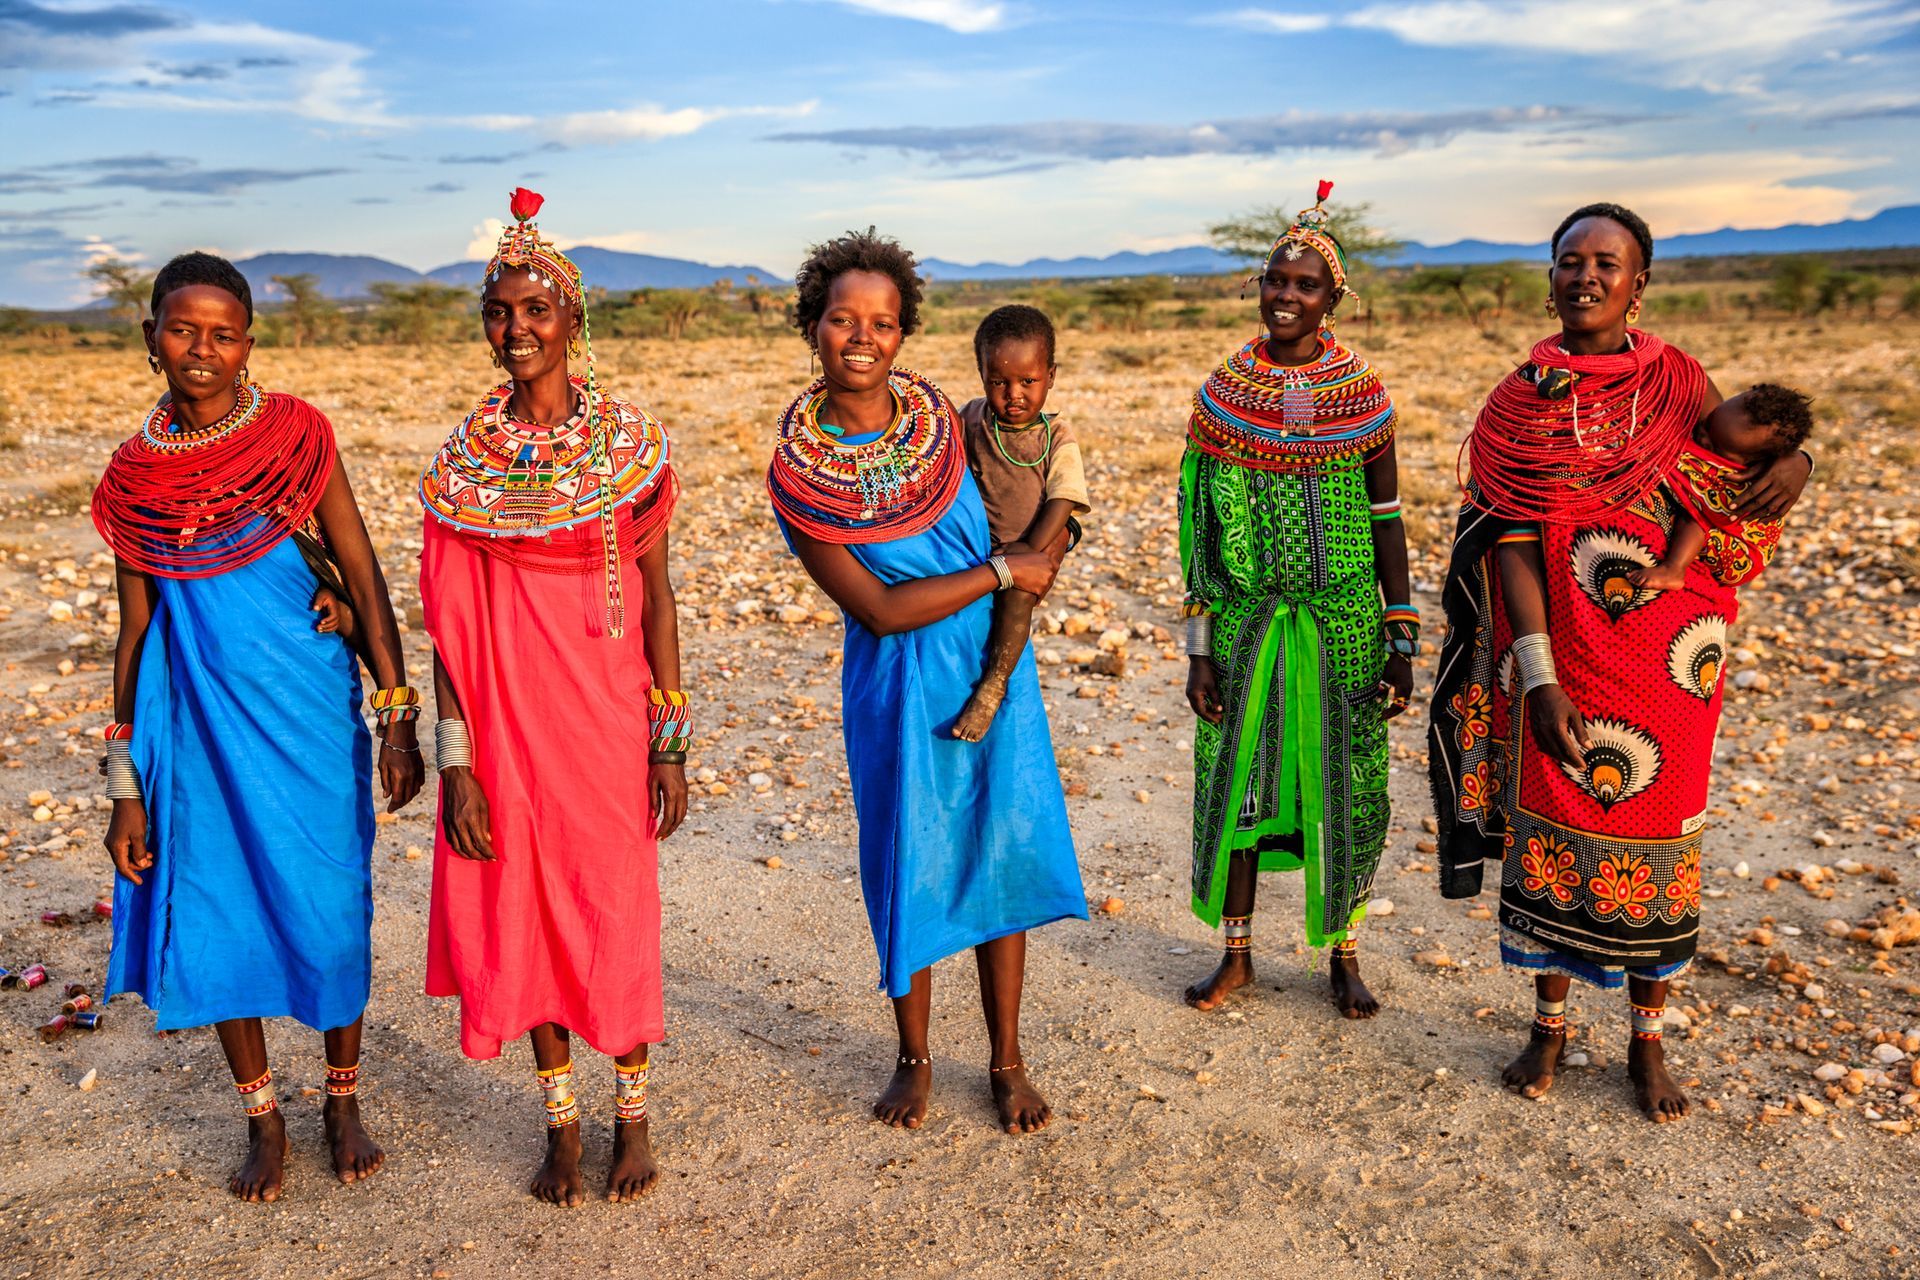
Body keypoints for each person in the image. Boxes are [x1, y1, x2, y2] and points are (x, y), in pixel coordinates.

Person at [1428, 203, 1813, 1121]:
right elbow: (1509, 545)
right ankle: (1547, 1029)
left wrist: (1800, 466)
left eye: (1608, 262)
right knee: (1555, 824)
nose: (1587, 276)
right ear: (1550, 274)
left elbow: (1741, 457)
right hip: (1569, 657)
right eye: (1571, 260)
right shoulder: (1518, 404)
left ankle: (1649, 1044)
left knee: (1663, 835)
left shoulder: (1681, 381)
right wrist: (1538, 675)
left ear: (1640, 283)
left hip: (1675, 660)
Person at [96, 251, 424, 1202]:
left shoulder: (295, 436)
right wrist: (124, 787)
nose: (203, 349)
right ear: (150, 339)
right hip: (194, 728)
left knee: (329, 906)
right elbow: (134, 634)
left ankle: (342, 1098)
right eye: (182, 330)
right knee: (216, 910)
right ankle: (263, 1115)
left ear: (251, 344)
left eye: (224, 333)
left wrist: (398, 716)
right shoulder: (133, 481)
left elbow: (360, 576)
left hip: (307, 711)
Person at [766, 228, 1085, 1134]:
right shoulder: (798, 474)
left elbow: (1033, 495)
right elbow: (877, 607)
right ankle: (913, 1057)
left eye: (883, 322)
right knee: (911, 855)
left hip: (993, 667)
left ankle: (1008, 1060)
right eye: (842, 319)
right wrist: (1003, 575)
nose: (862, 337)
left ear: (904, 333)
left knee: (1000, 847)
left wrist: (1044, 545)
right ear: (814, 327)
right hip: (897, 681)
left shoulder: (945, 420)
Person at [418, 189, 685, 1205]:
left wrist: (671, 737)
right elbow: (447, 625)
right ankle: (561, 1124)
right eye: (499, 309)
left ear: (574, 316)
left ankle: (635, 1116)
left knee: (611, 911)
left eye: (536, 308)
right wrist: (458, 760)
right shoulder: (463, 467)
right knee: (522, 912)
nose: (517, 327)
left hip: (608, 720)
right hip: (505, 728)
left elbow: (658, 595)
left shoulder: (628, 448)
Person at [1179, 182, 1412, 1020]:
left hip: (1344, 619)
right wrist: (1199, 653)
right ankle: (1235, 954)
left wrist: (1401, 638)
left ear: (1333, 299)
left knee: (1345, 785)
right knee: (1236, 780)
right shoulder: (1222, 397)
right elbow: (1200, 536)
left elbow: (1388, 522)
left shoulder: (1364, 398)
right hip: (1245, 622)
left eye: (1305, 284)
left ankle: (1343, 953)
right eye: (1277, 279)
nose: (1287, 295)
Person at [950, 304, 1090, 741]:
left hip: (1031, 545)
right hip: (978, 545)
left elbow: (1063, 498)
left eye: (1028, 382)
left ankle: (993, 686)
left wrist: (1030, 552)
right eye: (999, 382)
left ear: (1051, 376)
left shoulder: (1056, 436)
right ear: (982, 376)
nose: (1014, 394)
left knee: (1015, 604)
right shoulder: (972, 419)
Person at [1627, 384, 1812, 591]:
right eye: (1707, 424)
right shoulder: (1724, 426)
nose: (1702, 437)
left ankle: (1674, 569)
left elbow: (1713, 510)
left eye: (1712, 445)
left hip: (1738, 549)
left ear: (1754, 460)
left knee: (1696, 516)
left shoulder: (1739, 482)